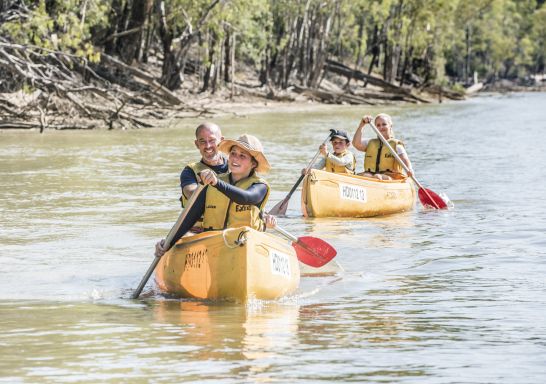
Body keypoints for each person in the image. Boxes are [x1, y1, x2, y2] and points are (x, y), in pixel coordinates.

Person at [155, 134, 277, 257]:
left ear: (254, 164)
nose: (235, 159)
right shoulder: (210, 185)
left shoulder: (260, 186)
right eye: (233, 153)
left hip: (247, 245)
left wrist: (217, 183)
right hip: (213, 245)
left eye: (242, 156)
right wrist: (168, 242)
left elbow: (246, 198)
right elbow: (189, 218)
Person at [179, 122, 228, 208]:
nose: (208, 146)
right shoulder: (189, 171)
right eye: (202, 141)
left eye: (212, 140)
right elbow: (191, 194)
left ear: (222, 141)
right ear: (197, 144)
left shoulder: (236, 167)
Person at [352, 113, 414, 180]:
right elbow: (356, 144)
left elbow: (405, 159)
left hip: (391, 177)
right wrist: (362, 124)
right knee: (366, 176)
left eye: (384, 124)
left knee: (377, 176)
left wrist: (409, 169)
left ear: (390, 126)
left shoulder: (397, 145)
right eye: (378, 125)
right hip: (370, 175)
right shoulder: (370, 143)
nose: (381, 127)